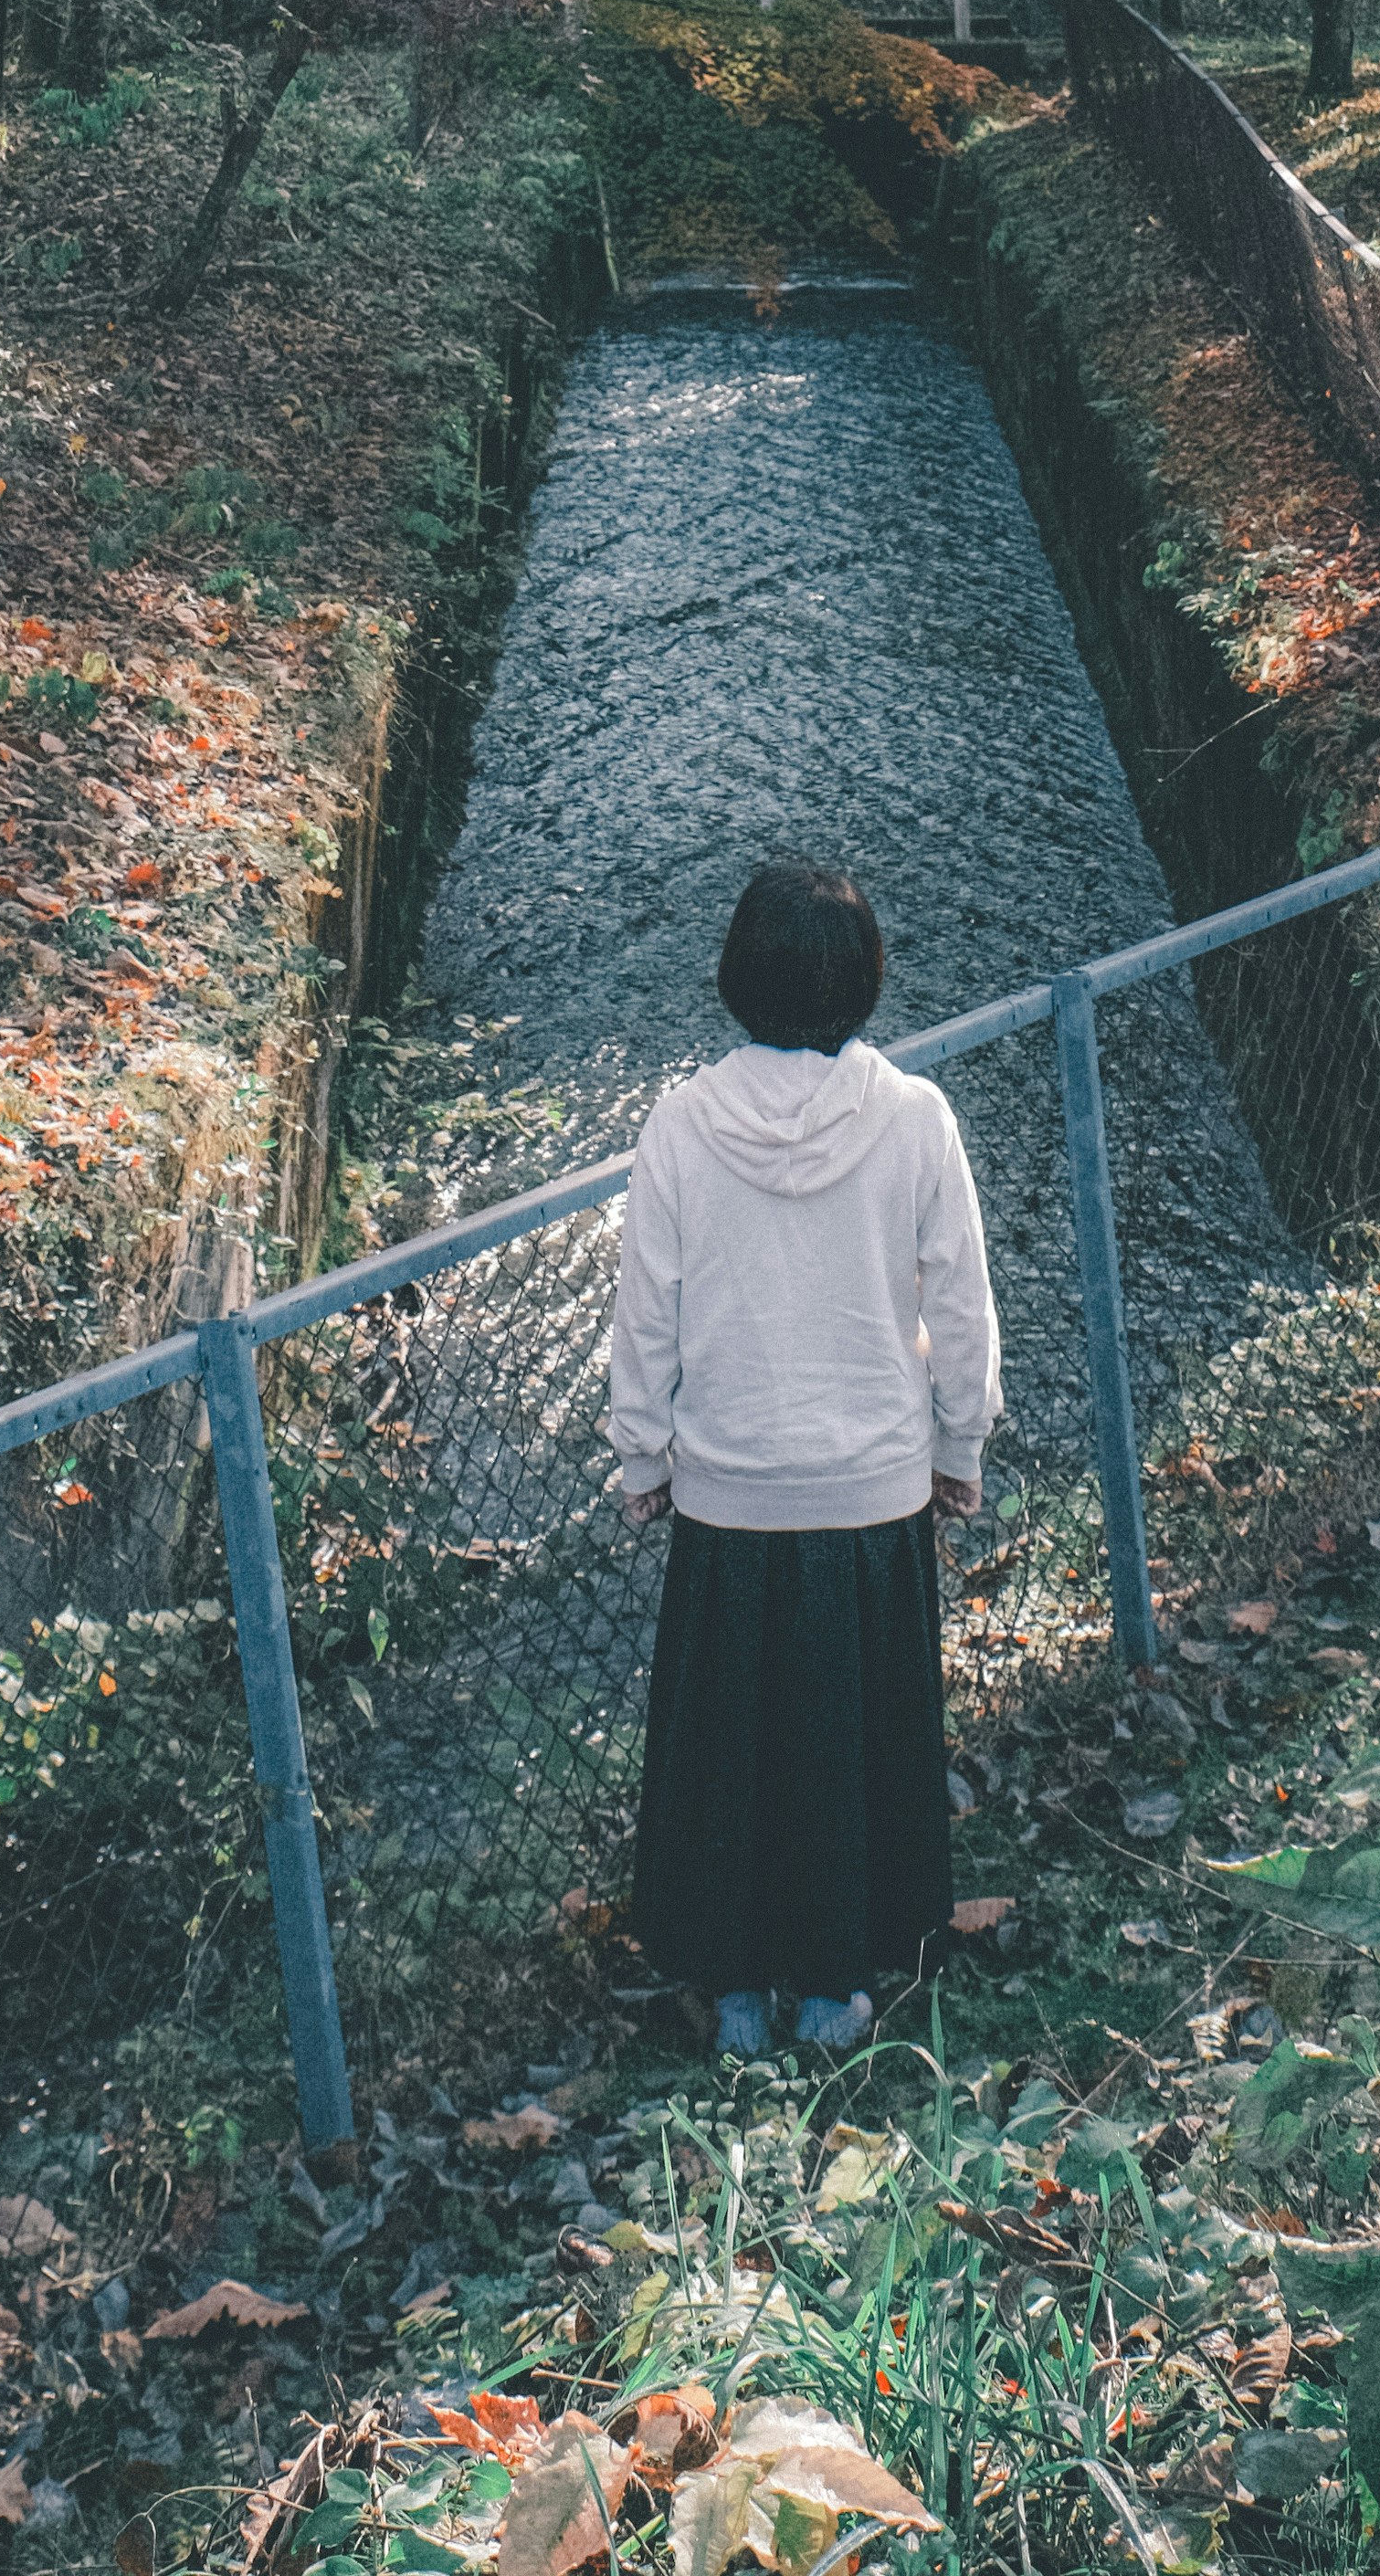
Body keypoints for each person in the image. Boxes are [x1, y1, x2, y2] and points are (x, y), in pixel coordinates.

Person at [607, 856, 1001, 2059]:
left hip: (729, 1490)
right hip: (873, 1490)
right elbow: (966, 1306)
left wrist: (645, 1458)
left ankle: (733, 1992)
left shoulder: (681, 1126)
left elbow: (645, 1314)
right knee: (850, 1742)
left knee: (732, 1748)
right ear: (867, 985)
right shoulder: (917, 1121)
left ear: (736, 981)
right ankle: (837, 1988)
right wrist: (959, 1441)